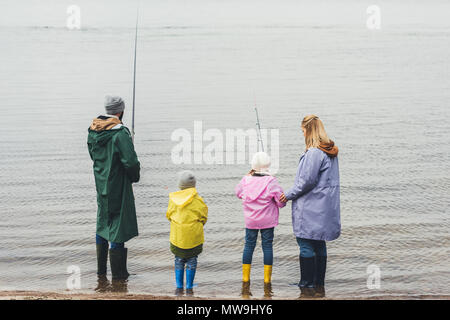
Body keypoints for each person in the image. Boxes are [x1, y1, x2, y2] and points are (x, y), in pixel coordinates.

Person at [280, 115, 340, 298]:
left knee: (305, 243)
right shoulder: (329, 151)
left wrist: (287, 195)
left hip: (311, 207)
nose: (303, 134)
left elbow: (306, 182)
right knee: (319, 243)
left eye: (303, 130)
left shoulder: (314, 153)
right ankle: (319, 285)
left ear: (309, 130)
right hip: (324, 206)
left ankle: (306, 286)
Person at [87, 95, 140, 281]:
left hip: (101, 183)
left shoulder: (93, 130)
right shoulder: (120, 133)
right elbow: (131, 162)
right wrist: (135, 177)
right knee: (118, 227)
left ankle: (101, 272)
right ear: (120, 111)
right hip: (118, 185)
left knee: (103, 223)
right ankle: (119, 276)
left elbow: (94, 156)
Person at [235, 152, 286, 297]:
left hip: (251, 220)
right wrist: (282, 201)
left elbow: (238, 193)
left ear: (253, 166)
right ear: (268, 165)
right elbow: (281, 202)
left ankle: (245, 279)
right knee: (267, 246)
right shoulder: (271, 181)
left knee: (248, 246)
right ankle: (267, 280)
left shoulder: (246, 179)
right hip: (267, 221)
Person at [166, 170, 208, 296]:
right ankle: (189, 286)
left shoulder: (173, 200)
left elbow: (169, 215)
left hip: (178, 238)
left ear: (180, 185)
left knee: (178, 260)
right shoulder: (198, 200)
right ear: (194, 185)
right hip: (193, 238)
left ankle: (179, 285)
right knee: (192, 261)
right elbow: (203, 217)